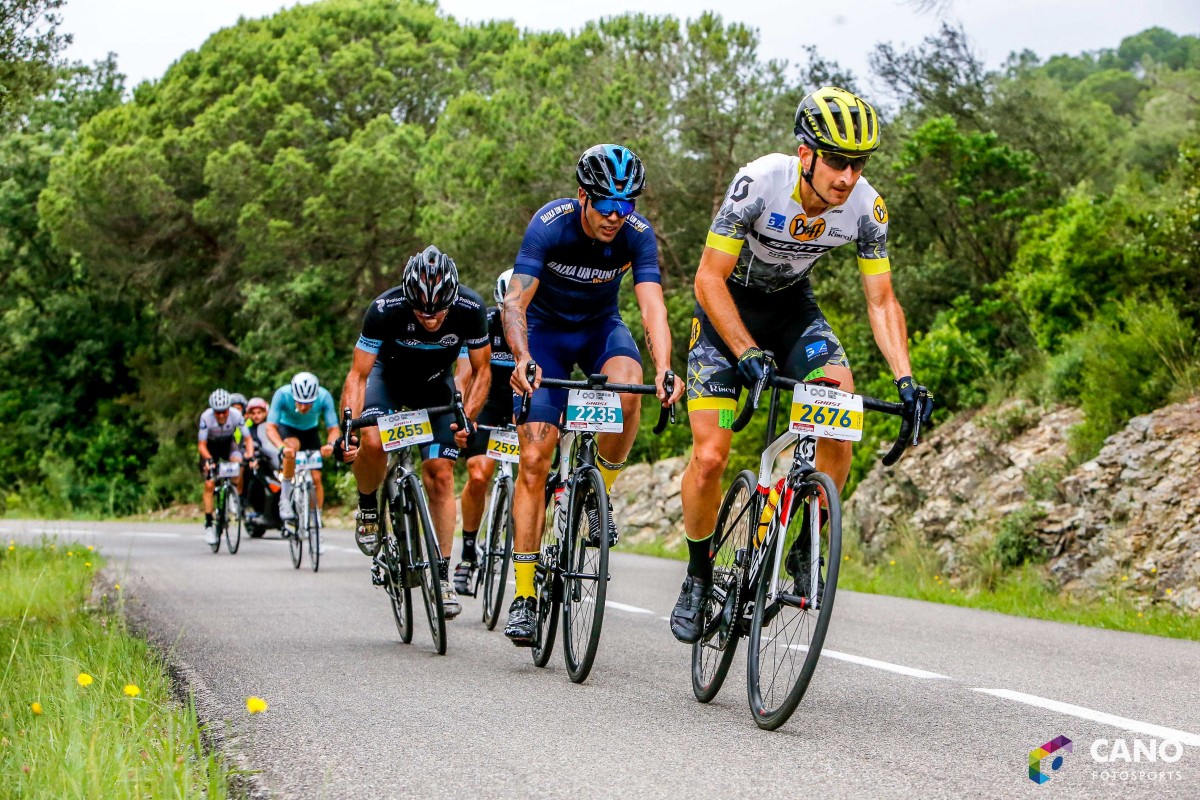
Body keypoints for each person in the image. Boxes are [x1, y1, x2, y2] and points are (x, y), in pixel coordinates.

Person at [669, 87, 933, 643]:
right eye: (837, 161)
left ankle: (804, 539)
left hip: (793, 313)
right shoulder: (760, 182)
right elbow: (707, 278)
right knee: (712, 454)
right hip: (727, 311)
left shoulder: (865, 208)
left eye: (858, 164)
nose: (847, 177)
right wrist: (743, 352)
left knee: (840, 403)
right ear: (806, 153)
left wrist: (906, 379)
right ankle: (697, 575)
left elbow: (882, 300)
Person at [502, 143, 683, 645]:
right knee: (536, 458)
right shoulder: (550, 224)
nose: (615, 217)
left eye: (627, 206)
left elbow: (652, 308)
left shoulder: (637, 236)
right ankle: (523, 594)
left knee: (630, 389)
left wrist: (666, 368)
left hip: (600, 327)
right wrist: (521, 359)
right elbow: (514, 303)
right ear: (583, 195)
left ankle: (593, 496)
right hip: (546, 336)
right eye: (606, 204)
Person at [336, 245, 492, 620]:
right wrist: (348, 427)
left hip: (435, 386)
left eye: (439, 310)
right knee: (371, 440)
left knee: (439, 475)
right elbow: (358, 375)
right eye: (422, 311)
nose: (432, 317)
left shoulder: (471, 308)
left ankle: (442, 575)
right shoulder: (384, 309)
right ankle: (369, 506)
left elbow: (482, 371)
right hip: (385, 380)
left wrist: (467, 417)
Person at [451, 269, 516, 595]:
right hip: (487, 403)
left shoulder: (543, 323)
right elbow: (465, 375)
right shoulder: (484, 324)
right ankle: (467, 553)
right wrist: (464, 413)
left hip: (523, 404)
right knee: (479, 474)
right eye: (507, 308)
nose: (513, 316)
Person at [264, 372, 339, 551]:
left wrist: (330, 444)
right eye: (300, 402)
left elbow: (333, 428)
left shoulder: (324, 396)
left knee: (316, 478)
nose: (304, 407)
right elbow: (270, 427)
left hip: (310, 432)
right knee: (291, 449)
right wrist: (282, 447)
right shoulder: (282, 395)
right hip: (287, 429)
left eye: (308, 403)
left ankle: (316, 523)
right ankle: (285, 498)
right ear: (293, 395)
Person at [197, 388, 254, 546]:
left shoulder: (236, 415)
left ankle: (232, 494)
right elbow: (201, 445)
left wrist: (250, 455)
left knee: (239, 461)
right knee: (209, 483)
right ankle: (209, 523)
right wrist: (208, 459)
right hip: (210, 447)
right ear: (213, 410)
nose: (221, 415)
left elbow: (248, 439)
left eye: (224, 412)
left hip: (228, 444)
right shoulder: (206, 418)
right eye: (218, 412)